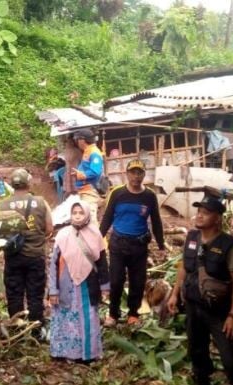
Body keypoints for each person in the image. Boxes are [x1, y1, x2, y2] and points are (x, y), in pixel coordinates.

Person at [166, 195, 233, 385]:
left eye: (206, 213)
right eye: (199, 211)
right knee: (196, 351)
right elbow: (184, 267)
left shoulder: (229, 246)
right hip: (193, 306)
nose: (199, 216)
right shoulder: (192, 237)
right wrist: (174, 294)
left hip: (218, 312)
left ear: (218, 218)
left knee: (229, 360)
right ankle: (201, 379)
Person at [100, 159, 166, 326]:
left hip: (139, 245)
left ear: (144, 175)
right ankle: (113, 314)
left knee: (137, 281)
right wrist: (97, 238)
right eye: (133, 172)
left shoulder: (149, 196)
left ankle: (133, 313)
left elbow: (156, 221)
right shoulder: (117, 193)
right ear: (127, 174)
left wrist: (161, 245)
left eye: (139, 173)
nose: (136, 176)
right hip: (118, 244)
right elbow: (107, 217)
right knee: (116, 280)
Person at [48, 201, 109, 362]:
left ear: (87, 215)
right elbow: (53, 264)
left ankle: (87, 355)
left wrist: (105, 287)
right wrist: (53, 290)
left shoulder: (95, 235)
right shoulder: (62, 235)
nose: (77, 216)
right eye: (74, 212)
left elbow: (102, 262)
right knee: (65, 319)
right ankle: (63, 353)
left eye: (81, 213)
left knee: (87, 318)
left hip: (88, 285)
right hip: (66, 284)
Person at [0, 168, 53, 337]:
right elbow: (49, 228)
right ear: (28, 183)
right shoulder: (40, 202)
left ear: (12, 184)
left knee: (14, 293)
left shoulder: (3, 205)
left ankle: (17, 329)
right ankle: (36, 330)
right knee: (35, 294)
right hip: (35, 256)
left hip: (13, 257)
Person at [71, 128, 104, 225]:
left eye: (78, 140)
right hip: (86, 191)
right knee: (88, 221)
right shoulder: (87, 151)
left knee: (91, 222)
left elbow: (95, 171)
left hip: (90, 192)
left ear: (83, 140)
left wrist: (82, 175)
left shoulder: (94, 152)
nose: (77, 142)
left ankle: (97, 240)